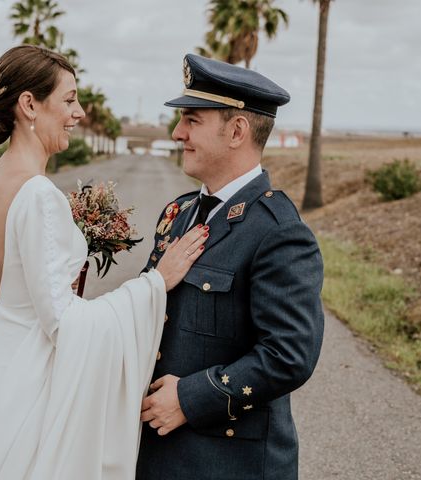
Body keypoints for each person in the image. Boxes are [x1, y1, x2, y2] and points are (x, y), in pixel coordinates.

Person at [0, 45, 208, 480]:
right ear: (29, 104)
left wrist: (23, 299)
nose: (80, 112)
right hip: (31, 384)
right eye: (68, 100)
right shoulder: (38, 193)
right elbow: (62, 324)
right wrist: (154, 284)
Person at [136, 53, 325, 480]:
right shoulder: (178, 213)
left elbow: (290, 354)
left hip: (228, 462)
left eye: (192, 120)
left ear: (237, 130)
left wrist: (191, 397)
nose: (177, 132)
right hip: (157, 454)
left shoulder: (277, 232)